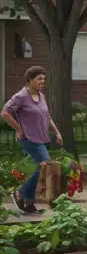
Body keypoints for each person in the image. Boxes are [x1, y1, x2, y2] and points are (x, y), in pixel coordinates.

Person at [2, 66, 63, 215]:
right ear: (29, 79)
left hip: (41, 137)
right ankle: (20, 193)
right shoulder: (21, 96)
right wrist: (18, 128)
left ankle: (28, 202)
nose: (43, 81)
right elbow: (5, 113)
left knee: (41, 167)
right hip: (28, 138)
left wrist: (57, 132)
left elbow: (47, 117)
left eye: (44, 78)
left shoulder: (41, 96)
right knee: (45, 166)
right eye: (39, 78)